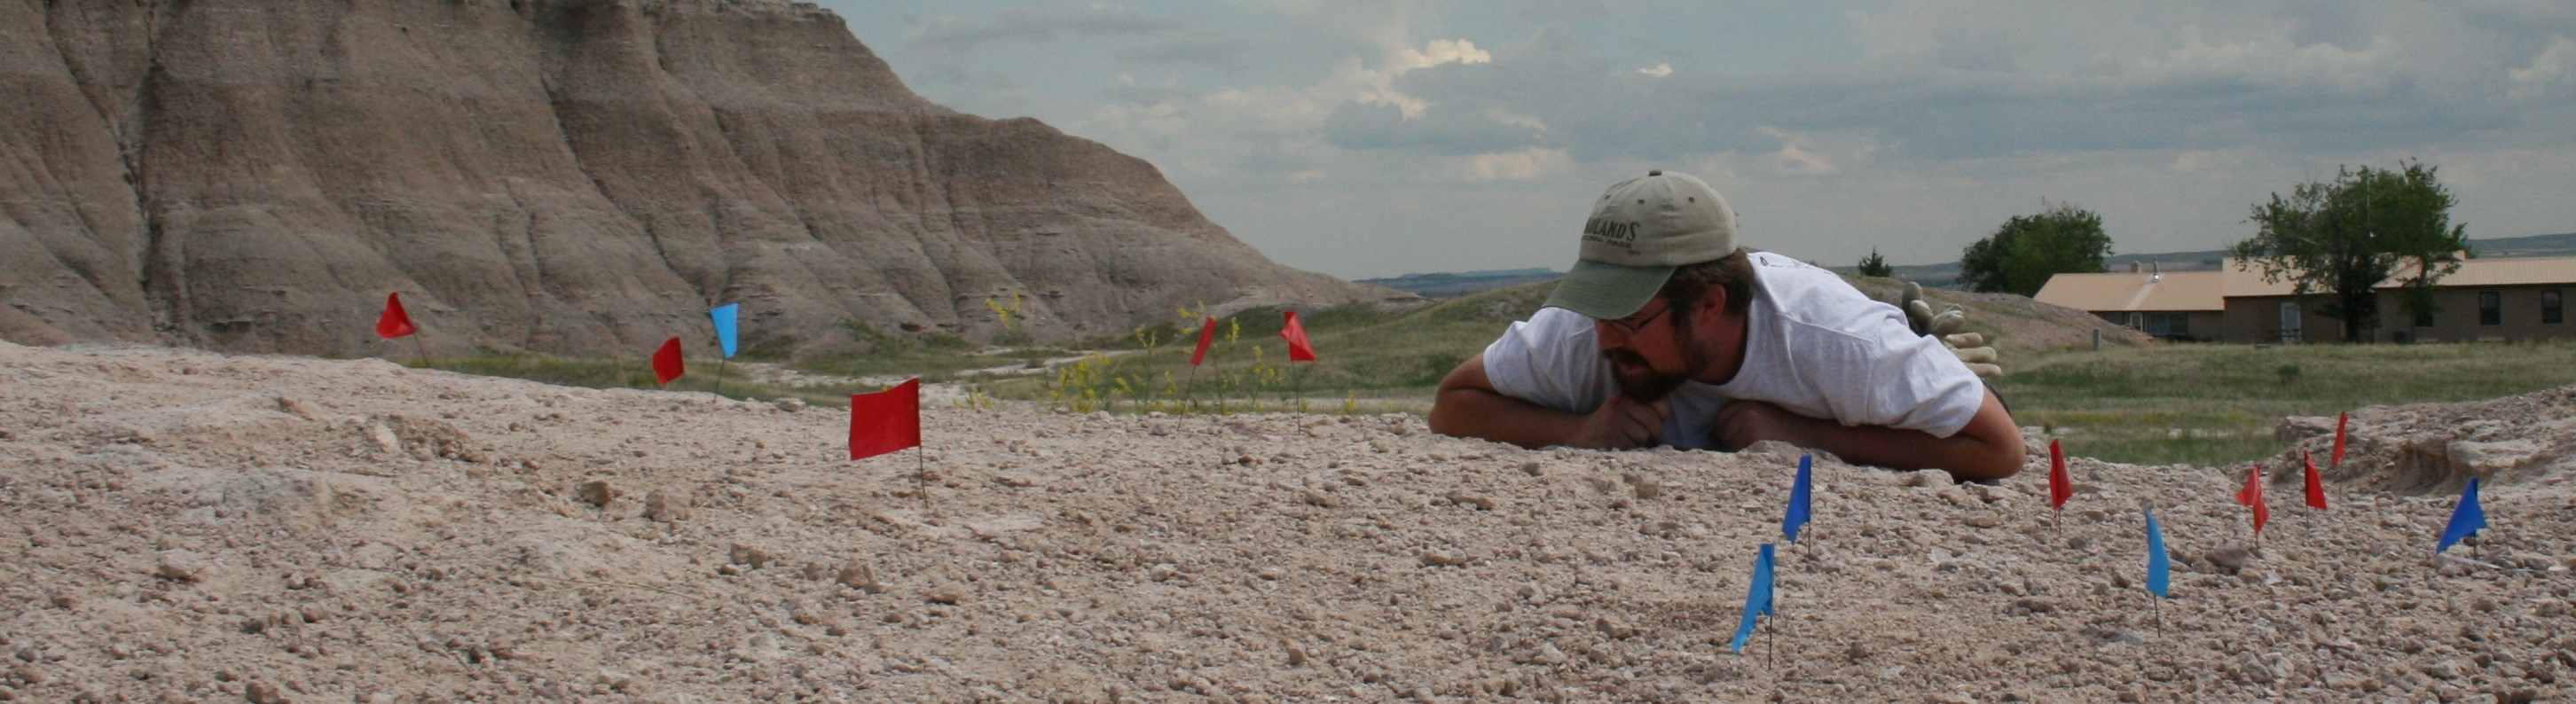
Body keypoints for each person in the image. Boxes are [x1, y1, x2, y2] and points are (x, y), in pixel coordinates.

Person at [1427, 170, 2025, 481]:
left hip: (1869, 368)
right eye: (1600, 312)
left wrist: (1811, 437)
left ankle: (1935, 367)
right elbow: (1453, 404)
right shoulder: (1587, 329)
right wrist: (1576, 430)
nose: (1607, 339)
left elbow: (2000, 451)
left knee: (1940, 395)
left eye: (1632, 320)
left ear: (1709, 304)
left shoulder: (1833, 339)